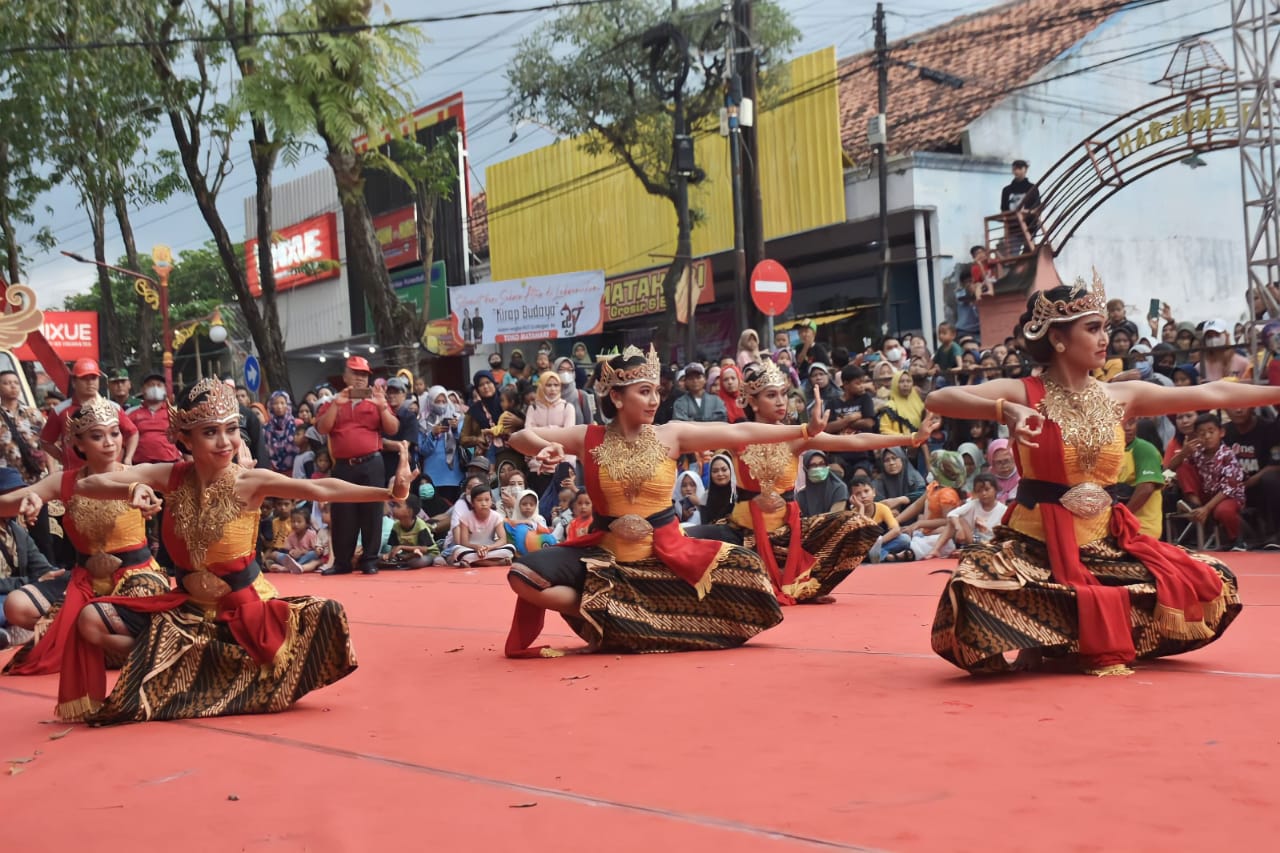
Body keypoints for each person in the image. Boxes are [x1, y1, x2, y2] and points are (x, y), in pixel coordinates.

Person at [925, 272, 1274, 676]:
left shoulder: (1122, 395)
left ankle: (1057, 635)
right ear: (1059, 339)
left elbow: (1215, 393)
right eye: (1093, 329)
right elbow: (939, 398)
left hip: (1104, 541)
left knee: (1213, 578)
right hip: (1034, 543)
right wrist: (1004, 410)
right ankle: (1048, 633)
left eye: (1105, 327)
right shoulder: (1024, 391)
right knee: (970, 588)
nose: (1104, 338)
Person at [54, 378, 412, 723]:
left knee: (326, 614)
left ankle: (183, 660)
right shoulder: (171, 476)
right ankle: (179, 658)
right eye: (210, 432)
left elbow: (320, 490)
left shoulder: (248, 481)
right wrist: (131, 489)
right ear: (185, 438)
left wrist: (389, 493)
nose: (225, 442)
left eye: (231, 429)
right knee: (90, 619)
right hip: (187, 608)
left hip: (241, 610)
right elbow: (90, 483)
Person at [503, 346, 824, 657]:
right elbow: (519, 438)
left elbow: (739, 433)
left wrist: (804, 430)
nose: (654, 399)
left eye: (656, 391)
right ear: (616, 396)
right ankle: (604, 606)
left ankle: (635, 616)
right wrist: (546, 446)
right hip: (606, 556)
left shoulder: (671, 434)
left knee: (749, 571)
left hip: (666, 552)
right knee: (522, 576)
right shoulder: (588, 437)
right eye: (644, 391)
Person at [685, 361, 938, 603]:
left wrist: (912, 437)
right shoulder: (737, 436)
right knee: (680, 537)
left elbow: (855, 441)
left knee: (855, 524)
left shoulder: (798, 437)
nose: (781, 401)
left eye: (783, 394)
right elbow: (686, 433)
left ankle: (810, 583)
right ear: (752, 401)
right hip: (743, 532)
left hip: (788, 533)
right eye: (771, 395)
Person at [2, 398, 171, 686]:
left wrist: (144, 491)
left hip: (136, 577)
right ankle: (101, 642)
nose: (109, 442)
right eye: (97, 436)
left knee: (92, 619)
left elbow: (172, 477)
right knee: (16, 606)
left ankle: (122, 645)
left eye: (114, 433)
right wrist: (28, 498)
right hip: (84, 579)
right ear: (77, 443)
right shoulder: (65, 481)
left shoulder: (135, 474)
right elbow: (6, 504)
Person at [315, 356, 400, 576]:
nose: (360, 379)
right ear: (345, 377)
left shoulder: (376, 399)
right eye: (355, 373)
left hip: (372, 462)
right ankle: (342, 562)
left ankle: (369, 560)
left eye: (364, 375)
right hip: (343, 465)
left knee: (372, 511)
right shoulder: (331, 402)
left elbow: (392, 429)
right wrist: (336, 404)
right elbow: (323, 428)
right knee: (342, 513)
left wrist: (382, 408)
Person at [41, 359, 139, 469]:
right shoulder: (60, 410)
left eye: (93, 378)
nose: (90, 382)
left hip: (110, 472)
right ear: (74, 382)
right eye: (84, 378)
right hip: (75, 474)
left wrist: (128, 458)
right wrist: (63, 458)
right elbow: (46, 441)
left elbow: (133, 433)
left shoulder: (113, 407)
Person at [1180, 413, 1247, 548]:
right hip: (1205, 495)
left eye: (1211, 432)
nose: (1207, 436)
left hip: (1227, 497)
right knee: (1182, 466)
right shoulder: (1196, 452)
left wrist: (1207, 508)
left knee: (1223, 511)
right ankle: (1196, 507)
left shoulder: (1228, 454)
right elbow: (1173, 469)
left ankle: (1237, 540)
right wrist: (1184, 452)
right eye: (1202, 433)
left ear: (1221, 432)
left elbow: (1228, 488)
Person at [923, 473, 1006, 559]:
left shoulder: (1003, 509)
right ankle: (935, 549)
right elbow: (952, 514)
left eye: (987, 489)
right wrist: (959, 528)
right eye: (979, 491)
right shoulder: (974, 504)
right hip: (975, 540)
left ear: (995, 490)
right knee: (957, 520)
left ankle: (970, 551)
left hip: (992, 545)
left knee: (959, 519)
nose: (983, 493)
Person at [524, 371, 576, 496]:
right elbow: (528, 434)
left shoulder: (567, 407)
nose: (553, 389)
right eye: (548, 385)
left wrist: (541, 431)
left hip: (562, 464)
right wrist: (556, 429)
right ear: (541, 386)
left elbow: (567, 436)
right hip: (538, 465)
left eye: (556, 385)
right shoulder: (533, 408)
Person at [1117, 417, 1164, 539]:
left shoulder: (1144, 449)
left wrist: (1121, 518)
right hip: (1120, 528)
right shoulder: (1110, 451)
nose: (1127, 428)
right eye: (1123, 424)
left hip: (1142, 529)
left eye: (1131, 423)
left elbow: (1146, 488)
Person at [418, 385, 464, 502]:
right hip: (432, 475)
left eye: (444, 401)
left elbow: (465, 443)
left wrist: (455, 429)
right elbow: (423, 450)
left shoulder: (457, 418)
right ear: (430, 401)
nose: (441, 404)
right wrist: (432, 434)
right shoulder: (423, 422)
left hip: (455, 475)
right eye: (437, 401)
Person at [848, 475, 910, 563]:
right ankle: (888, 557)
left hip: (880, 543)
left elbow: (896, 530)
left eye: (866, 491)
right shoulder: (852, 513)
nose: (863, 496)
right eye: (858, 494)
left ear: (873, 492)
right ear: (852, 498)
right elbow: (858, 536)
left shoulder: (882, 508)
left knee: (905, 539)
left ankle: (877, 555)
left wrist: (877, 543)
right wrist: (861, 508)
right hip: (863, 546)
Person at [453, 484, 517, 567]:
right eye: (479, 500)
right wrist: (477, 547)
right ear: (472, 503)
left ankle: (474, 563)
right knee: (458, 551)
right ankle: (496, 563)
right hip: (472, 549)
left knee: (510, 548)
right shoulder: (465, 518)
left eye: (487, 500)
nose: (483, 503)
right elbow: (464, 542)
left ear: (491, 501)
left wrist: (489, 547)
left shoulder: (496, 517)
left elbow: (503, 540)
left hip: (490, 548)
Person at [127, 374, 182, 465]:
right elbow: (125, 439)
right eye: (151, 385)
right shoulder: (131, 413)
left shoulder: (174, 412)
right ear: (143, 390)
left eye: (159, 385)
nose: (155, 388)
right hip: (140, 464)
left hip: (170, 463)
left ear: (165, 390)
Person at [796, 449, 848, 518]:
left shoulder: (839, 488)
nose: (818, 468)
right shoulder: (802, 494)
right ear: (806, 469)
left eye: (822, 464)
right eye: (813, 465)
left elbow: (834, 517)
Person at [874, 446, 926, 513]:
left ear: (902, 459)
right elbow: (875, 503)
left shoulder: (913, 476)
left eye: (894, 458)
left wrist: (901, 499)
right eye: (887, 460)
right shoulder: (879, 482)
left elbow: (925, 493)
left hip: (913, 517)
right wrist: (888, 511)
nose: (891, 463)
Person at [264, 391, 300, 475]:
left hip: (298, 470)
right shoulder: (266, 429)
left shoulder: (297, 424)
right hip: (276, 473)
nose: (279, 406)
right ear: (271, 406)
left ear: (288, 404)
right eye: (275, 403)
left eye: (282, 403)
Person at [985, 438, 1020, 504]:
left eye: (1007, 461)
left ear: (1014, 458)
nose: (1004, 466)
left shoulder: (1022, 475)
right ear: (992, 463)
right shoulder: (987, 478)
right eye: (999, 462)